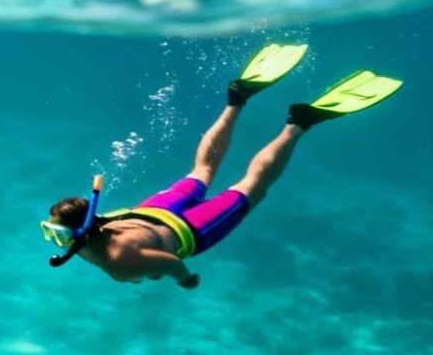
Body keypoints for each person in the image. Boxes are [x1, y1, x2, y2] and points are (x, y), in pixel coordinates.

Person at [41, 44, 401, 287]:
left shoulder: (118, 260)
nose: (55, 240)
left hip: (190, 231)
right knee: (201, 170)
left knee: (251, 187)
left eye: (56, 233)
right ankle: (236, 98)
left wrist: (185, 280)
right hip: (153, 212)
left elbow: (169, 263)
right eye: (52, 232)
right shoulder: (95, 231)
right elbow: (142, 253)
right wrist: (147, 263)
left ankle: (300, 122)